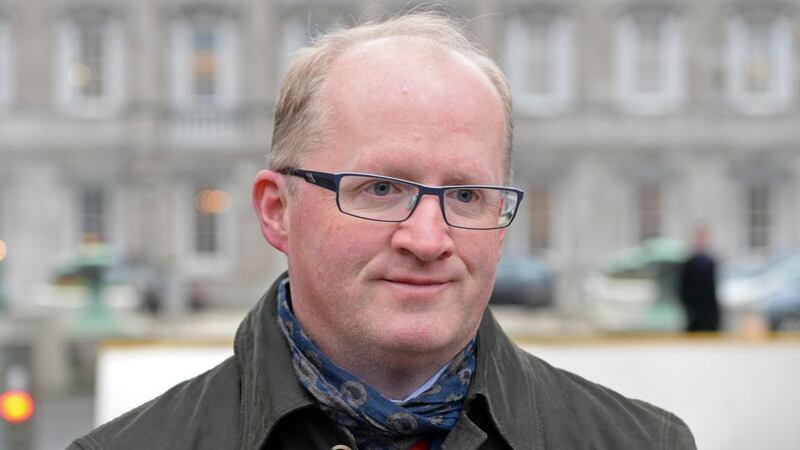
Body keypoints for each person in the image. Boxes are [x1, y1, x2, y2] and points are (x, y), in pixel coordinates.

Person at [69, 12, 696, 450]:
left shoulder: (645, 443)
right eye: (382, 189)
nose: (428, 240)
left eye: (468, 195)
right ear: (277, 211)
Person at [679, 226, 721, 332]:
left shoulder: (711, 262)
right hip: (694, 309)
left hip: (709, 310)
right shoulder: (688, 263)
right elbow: (683, 287)